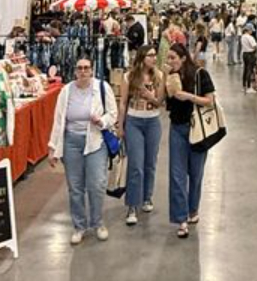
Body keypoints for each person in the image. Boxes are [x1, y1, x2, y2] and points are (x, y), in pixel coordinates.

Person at [48, 58, 118, 245]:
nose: (83, 71)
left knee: (97, 184)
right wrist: (53, 147)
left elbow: (113, 114)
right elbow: (58, 120)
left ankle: (98, 223)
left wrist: (101, 121)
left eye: (87, 68)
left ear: (92, 70)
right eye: (79, 68)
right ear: (75, 71)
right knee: (75, 187)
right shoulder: (66, 91)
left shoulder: (102, 88)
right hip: (71, 143)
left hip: (95, 141)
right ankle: (79, 226)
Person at [165, 43, 216, 238]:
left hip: (198, 130)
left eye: (173, 57)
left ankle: (193, 209)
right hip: (177, 128)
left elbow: (209, 100)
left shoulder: (200, 74)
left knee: (196, 173)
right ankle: (181, 219)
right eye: (168, 58)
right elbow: (165, 102)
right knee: (177, 175)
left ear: (183, 58)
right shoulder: (171, 77)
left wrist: (187, 96)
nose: (170, 61)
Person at [116, 47, 165, 226]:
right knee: (136, 165)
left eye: (154, 55)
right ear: (142, 57)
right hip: (134, 122)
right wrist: (120, 125)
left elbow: (160, 102)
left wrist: (150, 96)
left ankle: (147, 197)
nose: (153, 58)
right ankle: (132, 205)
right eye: (150, 55)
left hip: (153, 122)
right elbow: (123, 103)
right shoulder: (129, 77)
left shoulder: (159, 76)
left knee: (150, 163)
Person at [240, 27, 257, 93]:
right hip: (250, 54)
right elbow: (254, 46)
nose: (252, 31)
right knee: (249, 70)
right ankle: (249, 87)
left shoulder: (242, 37)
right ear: (248, 30)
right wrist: (255, 50)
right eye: (251, 30)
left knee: (245, 70)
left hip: (244, 54)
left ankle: (244, 86)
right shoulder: (250, 37)